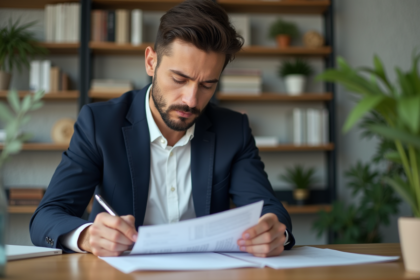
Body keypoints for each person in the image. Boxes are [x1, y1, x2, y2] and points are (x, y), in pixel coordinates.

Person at [30, 0, 295, 258]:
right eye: (179, 79)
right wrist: (88, 236)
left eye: (207, 85)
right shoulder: (99, 124)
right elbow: (46, 217)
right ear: (151, 62)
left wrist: (274, 233)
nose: (191, 100)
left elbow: (269, 209)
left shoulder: (233, 129)